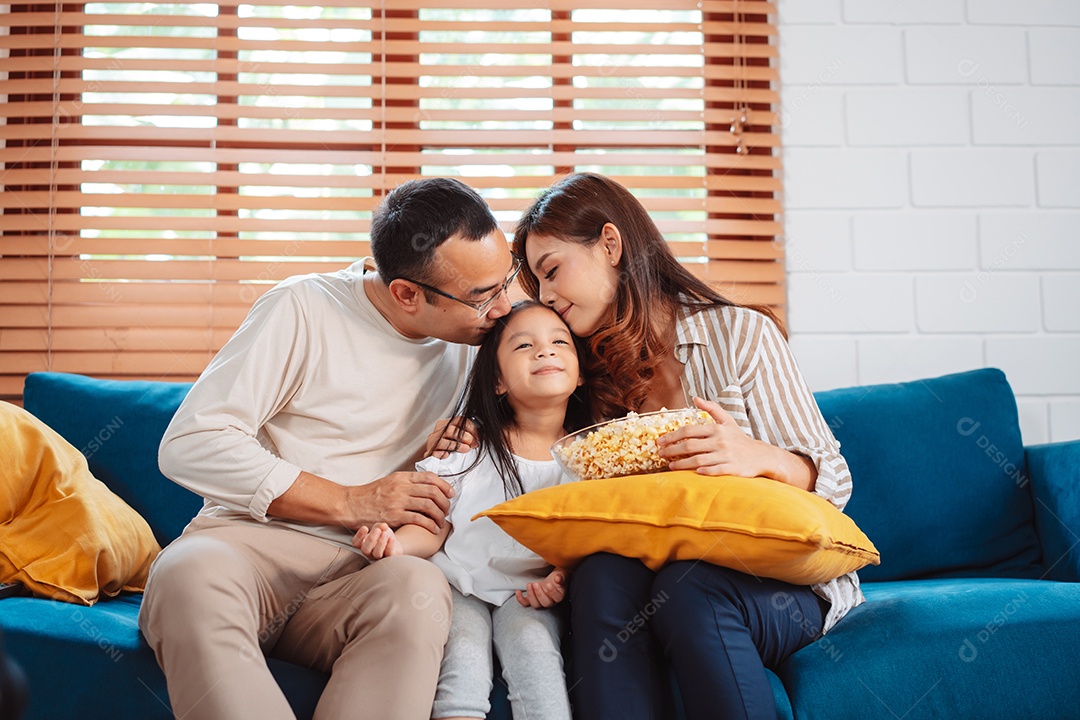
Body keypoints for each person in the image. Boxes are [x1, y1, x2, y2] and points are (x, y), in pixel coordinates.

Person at [138, 177, 522, 720]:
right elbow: (192, 443)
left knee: (418, 588)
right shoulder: (302, 307)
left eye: (505, 280)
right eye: (484, 297)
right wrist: (350, 501)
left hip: (365, 570)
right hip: (249, 549)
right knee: (186, 575)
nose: (505, 307)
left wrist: (473, 444)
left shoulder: (488, 339)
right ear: (407, 294)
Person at [511, 172, 864, 720]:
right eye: (537, 285)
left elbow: (837, 484)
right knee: (601, 578)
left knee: (690, 588)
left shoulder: (740, 336)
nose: (547, 297)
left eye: (552, 271)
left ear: (610, 244)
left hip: (778, 584)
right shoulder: (585, 378)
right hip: (650, 576)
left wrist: (758, 457)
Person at [353, 300, 590, 720]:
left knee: (535, 657)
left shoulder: (590, 460)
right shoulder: (467, 447)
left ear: (581, 371)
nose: (545, 351)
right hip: (458, 585)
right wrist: (394, 545)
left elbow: (589, 539)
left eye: (559, 342)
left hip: (529, 594)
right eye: (524, 346)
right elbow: (433, 525)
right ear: (497, 380)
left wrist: (562, 578)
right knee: (462, 660)